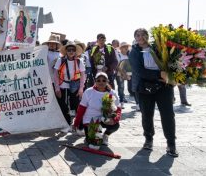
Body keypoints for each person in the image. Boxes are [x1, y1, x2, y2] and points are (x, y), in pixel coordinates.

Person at [129, 28, 178, 157]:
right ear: (135, 37)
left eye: (143, 34)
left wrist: (173, 75)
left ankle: (171, 144)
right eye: (137, 35)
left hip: (164, 86)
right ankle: (148, 139)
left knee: (168, 115)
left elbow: (169, 62)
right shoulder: (134, 52)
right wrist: (159, 74)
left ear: (147, 36)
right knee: (147, 114)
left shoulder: (157, 47)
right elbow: (139, 71)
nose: (141, 37)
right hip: (145, 87)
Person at [72, 72, 121, 146]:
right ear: (95, 81)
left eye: (104, 80)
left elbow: (118, 109)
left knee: (115, 125)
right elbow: (81, 109)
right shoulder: (89, 92)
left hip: (104, 119)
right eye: (98, 80)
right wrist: (76, 123)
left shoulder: (112, 93)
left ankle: (106, 135)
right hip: (90, 120)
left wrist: (114, 119)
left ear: (107, 81)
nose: (101, 82)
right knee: (93, 143)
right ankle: (91, 134)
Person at [53, 41, 86, 125]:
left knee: (75, 105)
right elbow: (55, 74)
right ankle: (67, 122)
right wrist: (57, 88)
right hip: (63, 85)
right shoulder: (61, 60)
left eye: (73, 50)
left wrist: (81, 89)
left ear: (75, 51)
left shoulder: (79, 61)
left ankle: (77, 123)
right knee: (63, 105)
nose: (71, 52)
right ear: (66, 51)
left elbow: (83, 76)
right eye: (69, 50)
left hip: (75, 86)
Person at [115, 42, 131, 108]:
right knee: (121, 88)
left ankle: (138, 104)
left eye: (127, 46)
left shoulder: (130, 55)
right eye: (124, 47)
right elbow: (117, 66)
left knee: (133, 88)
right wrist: (124, 74)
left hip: (130, 74)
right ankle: (121, 102)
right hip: (120, 74)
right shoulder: (118, 55)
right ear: (121, 48)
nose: (126, 48)